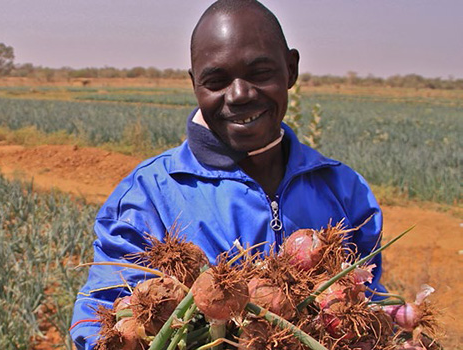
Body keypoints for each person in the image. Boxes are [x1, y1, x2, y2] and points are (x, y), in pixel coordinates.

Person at [70, 0, 386, 348]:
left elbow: (368, 301)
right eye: (216, 80)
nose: (239, 94)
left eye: (260, 73)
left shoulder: (344, 190)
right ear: (195, 85)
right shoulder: (148, 195)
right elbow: (99, 315)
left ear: (291, 69)